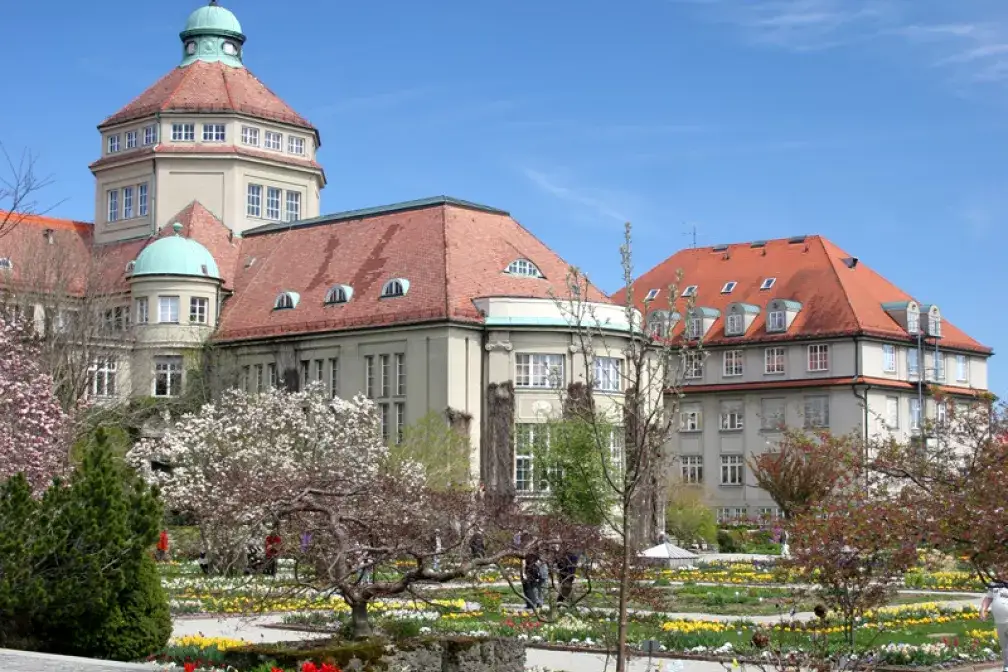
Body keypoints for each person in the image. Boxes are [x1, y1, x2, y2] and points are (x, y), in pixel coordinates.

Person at [979, 580, 1008, 672]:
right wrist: (983, 610)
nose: (999, 571)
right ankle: (1006, 665)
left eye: (1002, 568)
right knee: (1004, 645)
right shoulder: (994, 584)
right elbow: (988, 598)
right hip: (1000, 620)